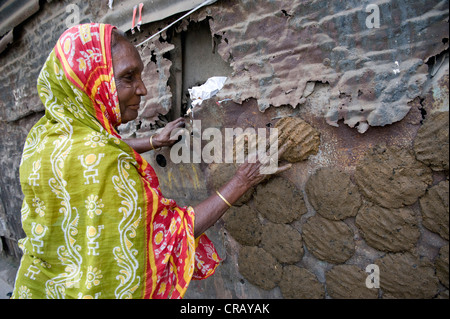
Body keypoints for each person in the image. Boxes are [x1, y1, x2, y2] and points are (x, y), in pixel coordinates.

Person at [11, 23, 290, 299]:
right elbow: (168, 237)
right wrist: (242, 182)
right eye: (128, 77)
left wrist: (153, 141)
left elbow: (98, 147)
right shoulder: (103, 165)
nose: (143, 89)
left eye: (140, 75)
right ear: (89, 83)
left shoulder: (46, 138)